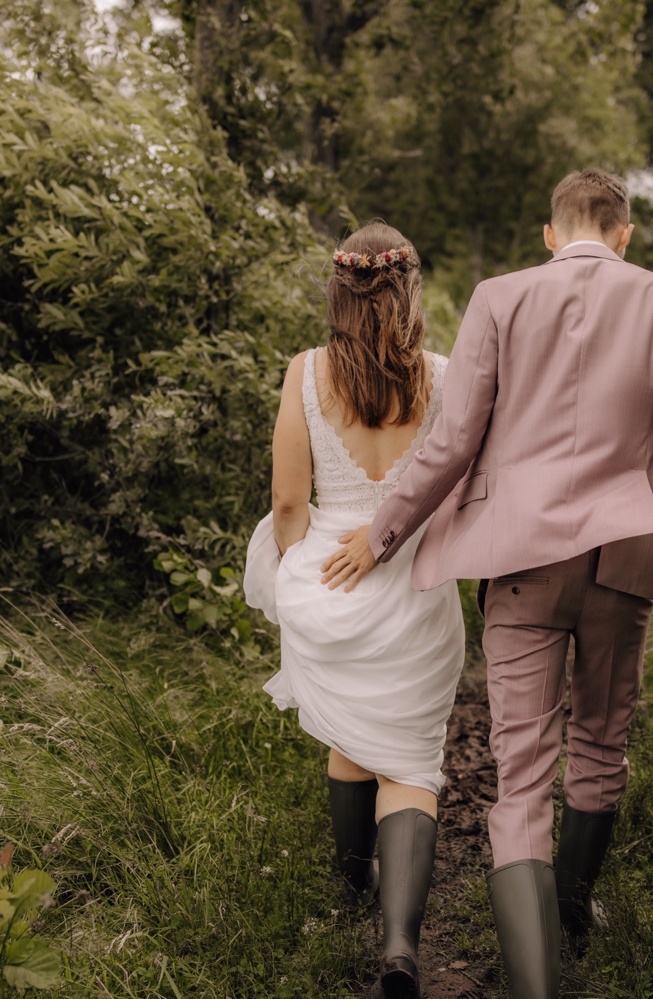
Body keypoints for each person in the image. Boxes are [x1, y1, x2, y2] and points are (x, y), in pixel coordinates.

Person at [322, 169, 653, 998]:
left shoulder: (499, 298)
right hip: (626, 559)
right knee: (603, 742)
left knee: (522, 769)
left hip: (522, 560)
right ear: (625, 232)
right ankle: (571, 911)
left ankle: (538, 981)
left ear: (550, 234)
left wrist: (383, 530)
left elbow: (454, 439)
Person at [242, 223, 463, 999]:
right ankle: (401, 944)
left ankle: (348, 891)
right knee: (410, 760)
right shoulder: (443, 376)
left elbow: (287, 500)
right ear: (410, 290)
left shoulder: (305, 373)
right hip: (415, 584)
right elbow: (457, 489)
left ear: (339, 291)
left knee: (348, 735)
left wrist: (300, 573)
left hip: (331, 581)